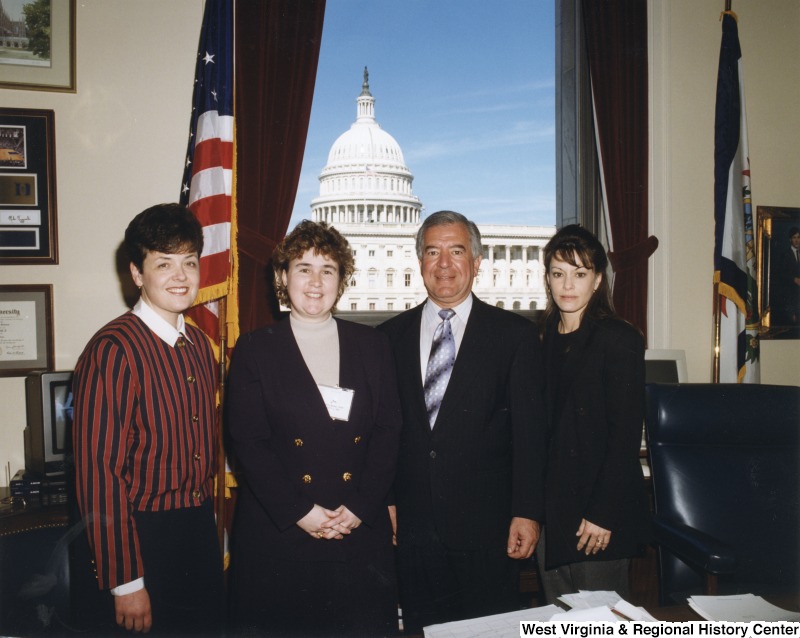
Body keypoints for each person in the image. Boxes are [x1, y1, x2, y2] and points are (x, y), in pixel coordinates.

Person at [226, 220, 402, 637]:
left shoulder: (373, 344)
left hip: (355, 530)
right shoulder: (254, 349)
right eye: (303, 268)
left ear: (342, 280)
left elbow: (389, 432)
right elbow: (249, 444)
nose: (315, 281)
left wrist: (360, 509)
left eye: (328, 269)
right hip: (281, 532)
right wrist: (300, 513)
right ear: (282, 277)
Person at [378, 210, 546, 632]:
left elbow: (530, 435)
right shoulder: (387, 337)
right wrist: (386, 498)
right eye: (432, 252)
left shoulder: (515, 336)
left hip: (488, 531)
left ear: (476, 261)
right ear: (420, 263)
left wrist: (527, 512)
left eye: (456, 251)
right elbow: (382, 431)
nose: (444, 264)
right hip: (412, 530)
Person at [72, 203, 225, 635]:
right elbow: (98, 474)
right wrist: (126, 581)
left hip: (196, 530)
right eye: (164, 264)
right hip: (138, 538)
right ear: (138, 274)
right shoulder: (113, 350)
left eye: (189, 263)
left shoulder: (197, 342)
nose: (181, 276)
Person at [535, 224, 650, 603]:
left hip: (596, 514)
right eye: (558, 273)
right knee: (558, 618)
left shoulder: (619, 338)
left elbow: (625, 437)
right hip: (551, 512)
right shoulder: (540, 337)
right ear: (548, 279)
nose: (568, 284)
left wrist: (603, 513)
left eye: (580, 274)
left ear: (598, 280)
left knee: (599, 621)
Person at [775, 226, 800, 325]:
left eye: (798, 237)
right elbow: (780, 274)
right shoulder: (785, 255)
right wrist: (793, 279)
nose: (797, 240)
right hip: (790, 295)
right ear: (790, 239)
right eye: (794, 238)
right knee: (792, 323)